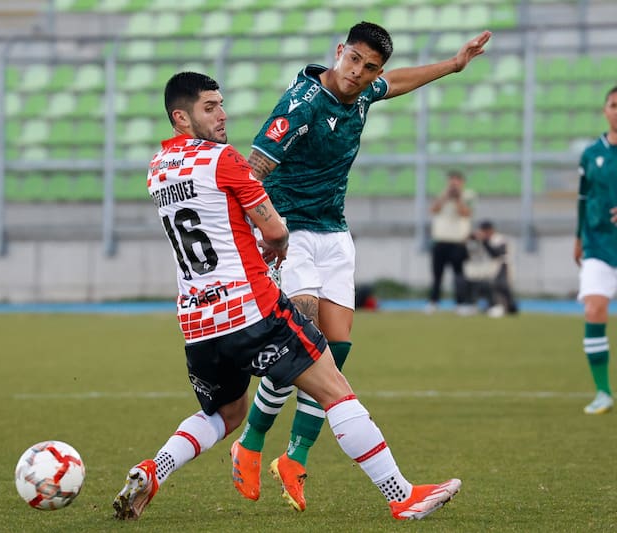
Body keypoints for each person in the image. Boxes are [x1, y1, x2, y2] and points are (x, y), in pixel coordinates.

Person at [112, 71, 461, 522]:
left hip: (198, 323)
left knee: (226, 412)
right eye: (209, 108)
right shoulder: (226, 161)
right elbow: (275, 229)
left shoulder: (157, 170)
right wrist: (274, 247)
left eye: (221, 104)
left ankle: (154, 468)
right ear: (181, 117)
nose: (222, 115)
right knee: (335, 389)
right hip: (251, 309)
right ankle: (401, 495)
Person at [230, 22, 490, 512]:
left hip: (335, 233)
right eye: (353, 60)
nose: (358, 73)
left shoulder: (366, 91)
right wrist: (258, 233)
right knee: (302, 342)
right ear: (338, 52)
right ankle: (251, 440)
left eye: (369, 66)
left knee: (337, 347)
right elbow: (252, 169)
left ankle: (295, 456)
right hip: (293, 233)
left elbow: (400, 81)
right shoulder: (301, 104)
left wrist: (455, 65)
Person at [573, 84, 617, 415]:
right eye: (613, 104)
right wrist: (578, 237)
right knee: (593, 310)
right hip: (598, 244)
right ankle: (603, 391)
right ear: (605, 110)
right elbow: (583, 198)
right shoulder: (591, 154)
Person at [426, 170, 476, 315]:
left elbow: (465, 213)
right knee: (437, 275)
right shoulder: (441, 195)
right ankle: (433, 302)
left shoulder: (469, 196)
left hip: (458, 242)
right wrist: (446, 196)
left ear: (462, 183)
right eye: (451, 181)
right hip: (440, 241)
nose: (454, 185)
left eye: (457, 181)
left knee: (459, 275)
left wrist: (458, 198)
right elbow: (434, 209)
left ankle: (460, 303)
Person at [465, 220, 519, 317]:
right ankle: (494, 306)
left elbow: (496, 254)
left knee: (502, 287)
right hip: (489, 268)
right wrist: (471, 238)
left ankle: (508, 306)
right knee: (486, 287)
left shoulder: (500, 239)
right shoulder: (482, 240)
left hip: (502, 266)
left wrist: (484, 241)